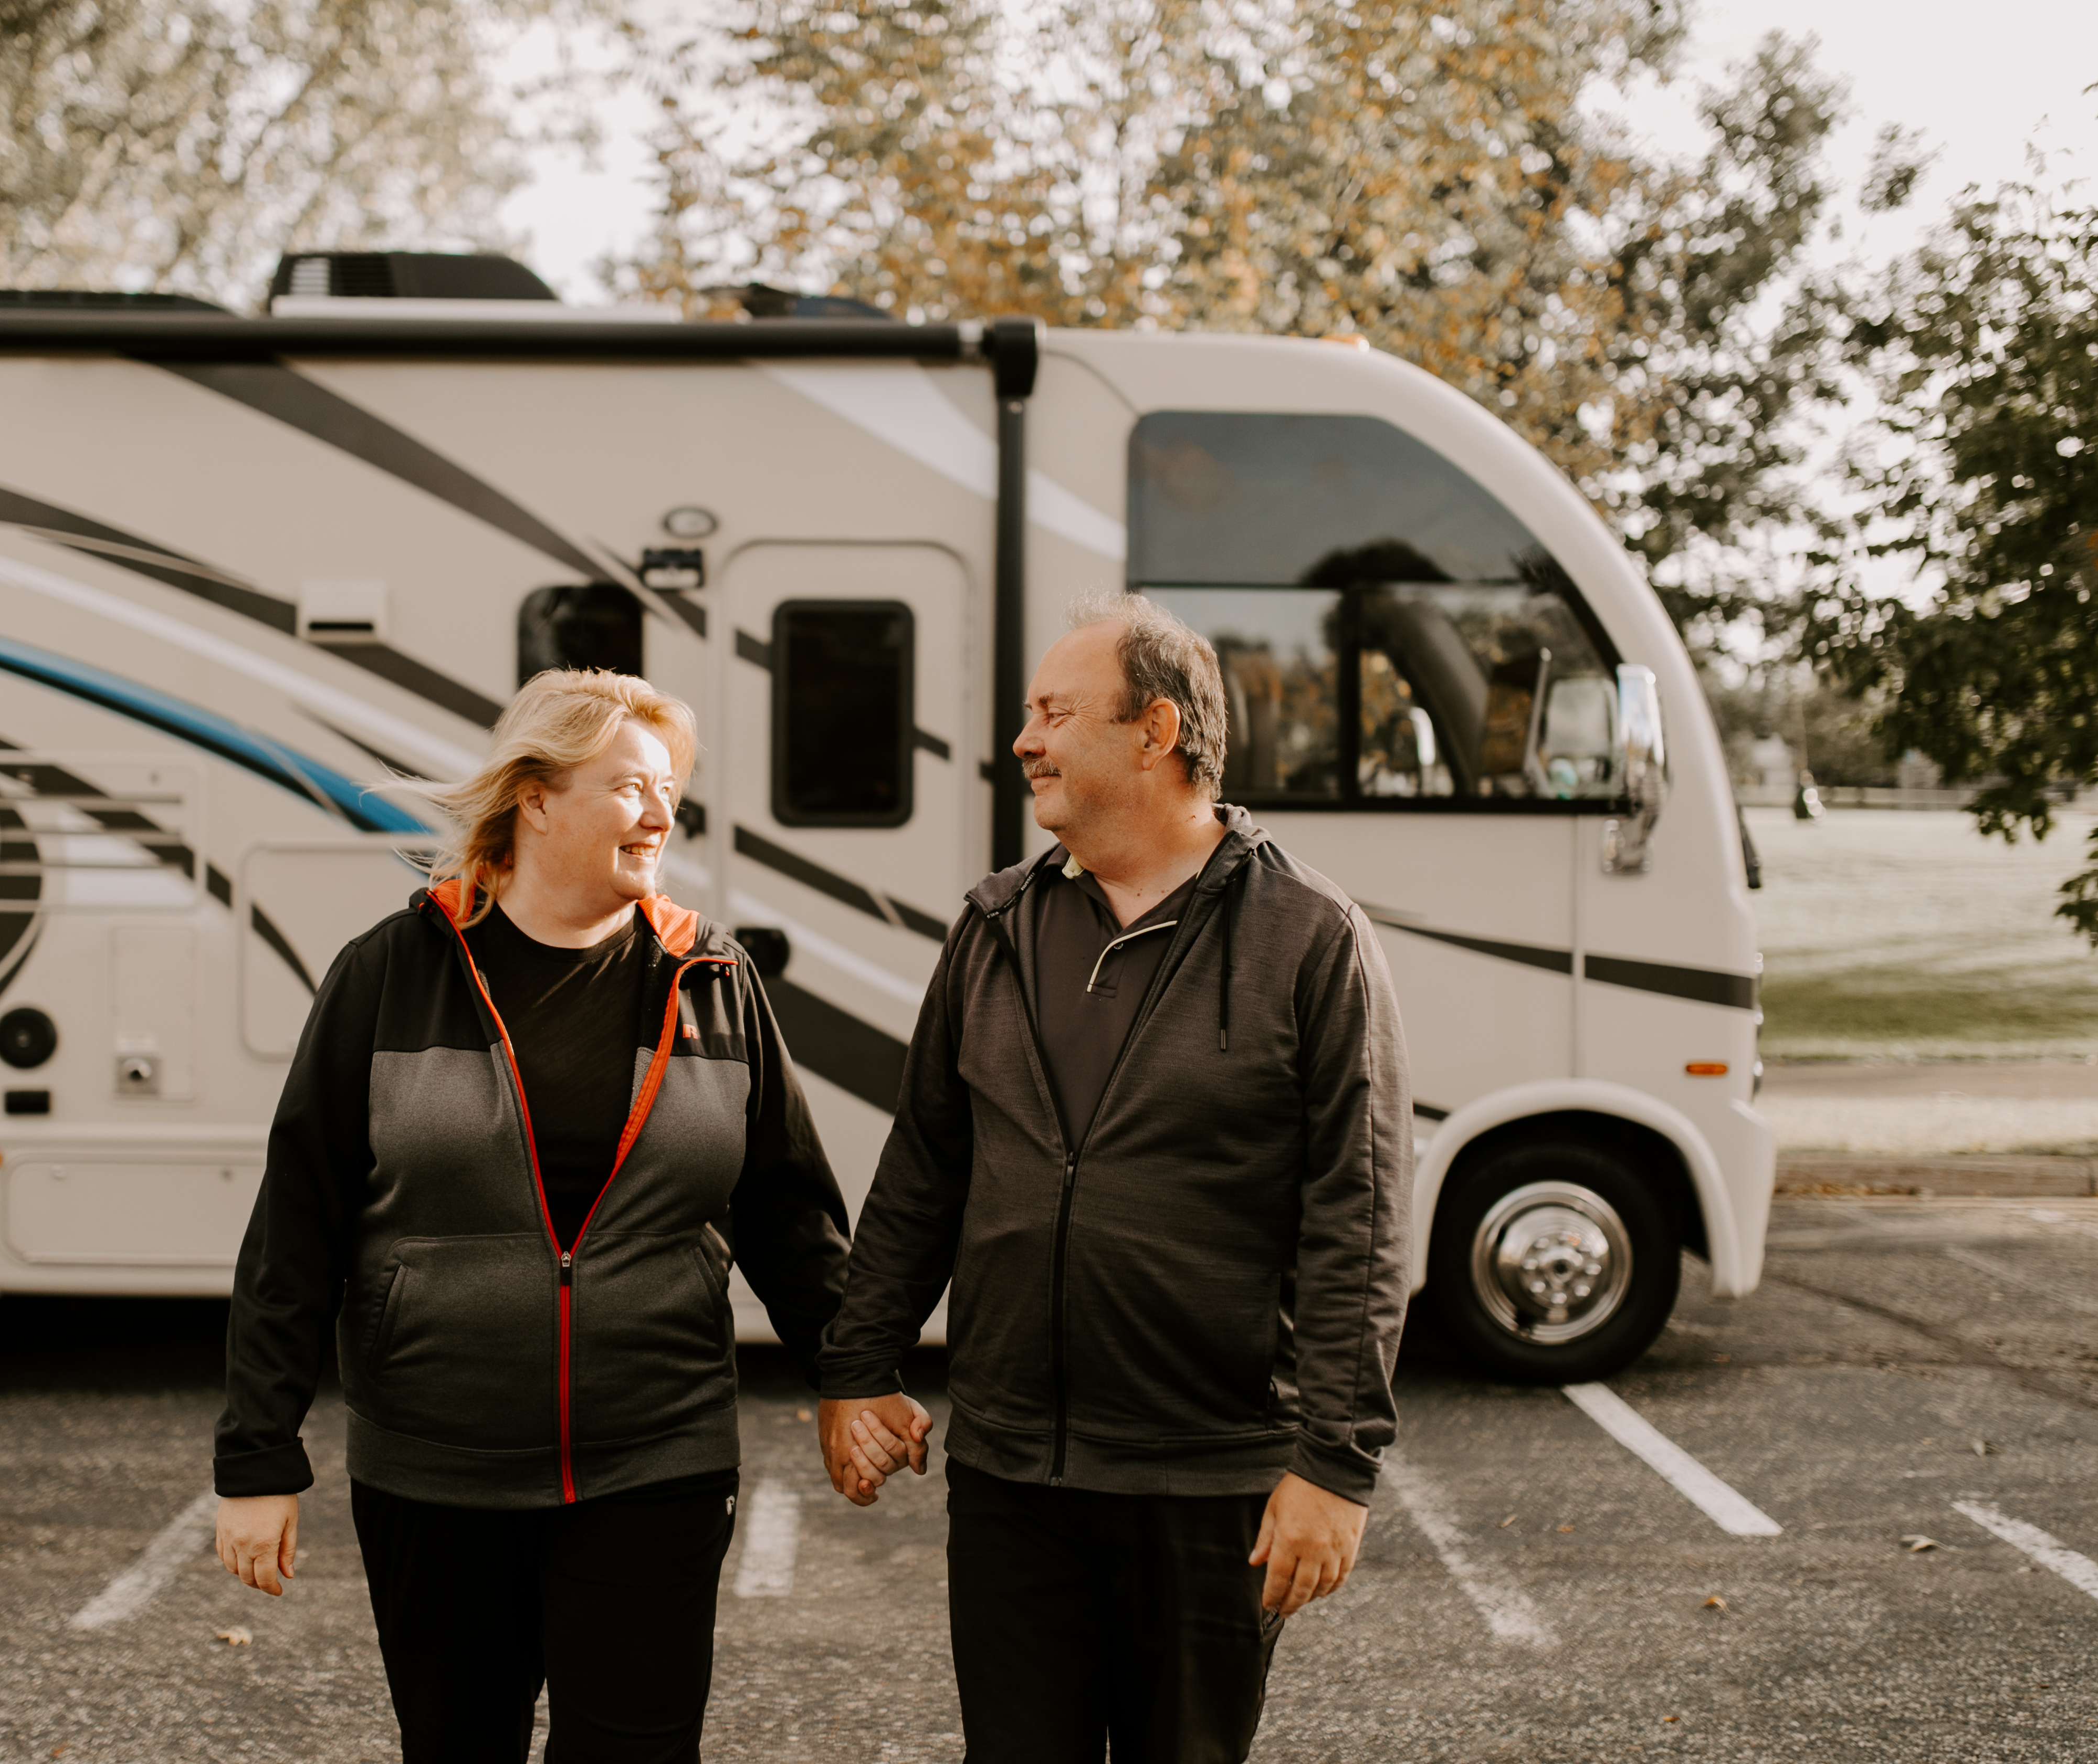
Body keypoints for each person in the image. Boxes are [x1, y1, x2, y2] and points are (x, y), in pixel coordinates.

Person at [812, 593, 1412, 1764]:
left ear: (1156, 731)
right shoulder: (992, 926)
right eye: (1029, 715)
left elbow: (1364, 1210)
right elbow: (927, 1165)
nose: (1025, 740)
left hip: (1209, 1485)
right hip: (1010, 1479)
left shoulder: (1310, 937)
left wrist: (1335, 1464)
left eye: (1053, 712)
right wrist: (856, 1363)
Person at [213, 668, 850, 1764]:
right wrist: (257, 1457)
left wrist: (855, 1374)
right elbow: (297, 1230)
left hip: (658, 1459)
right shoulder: (392, 973)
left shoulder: (711, 977)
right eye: (633, 787)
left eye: (671, 792)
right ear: (537, 797)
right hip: (435, 1472)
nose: (662, 815)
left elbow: (790, 1214)